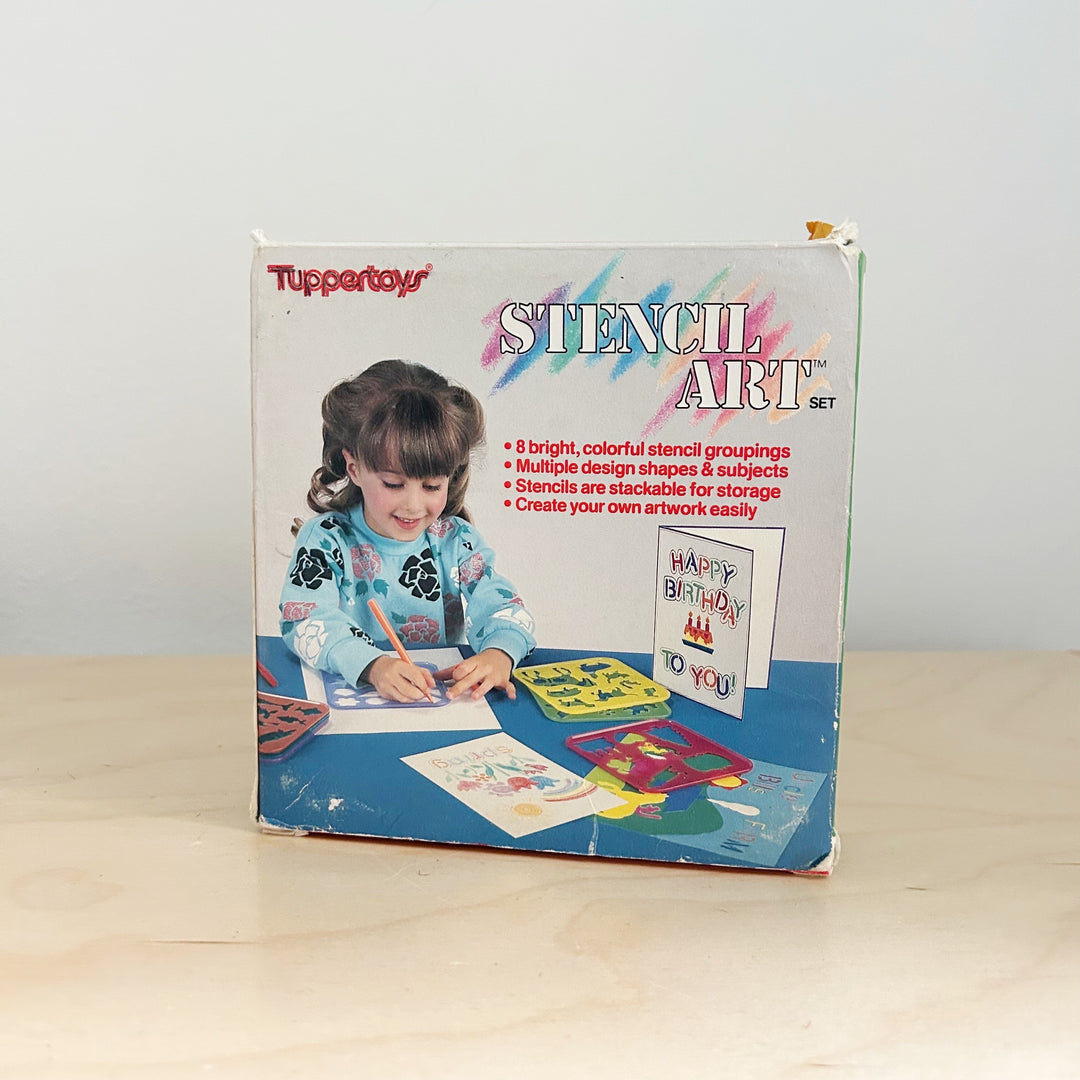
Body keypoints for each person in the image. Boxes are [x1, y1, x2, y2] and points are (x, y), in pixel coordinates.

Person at [280, 360, 535, 703]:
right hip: (354, 704)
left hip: (437, 705)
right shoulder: (325, 539)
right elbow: (303, 620)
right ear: (354, 467)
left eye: (432, 486)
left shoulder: (456, 540)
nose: (414, 505)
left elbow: (501, 604)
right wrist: (372, 666)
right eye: (393, 484)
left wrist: (500, 652)